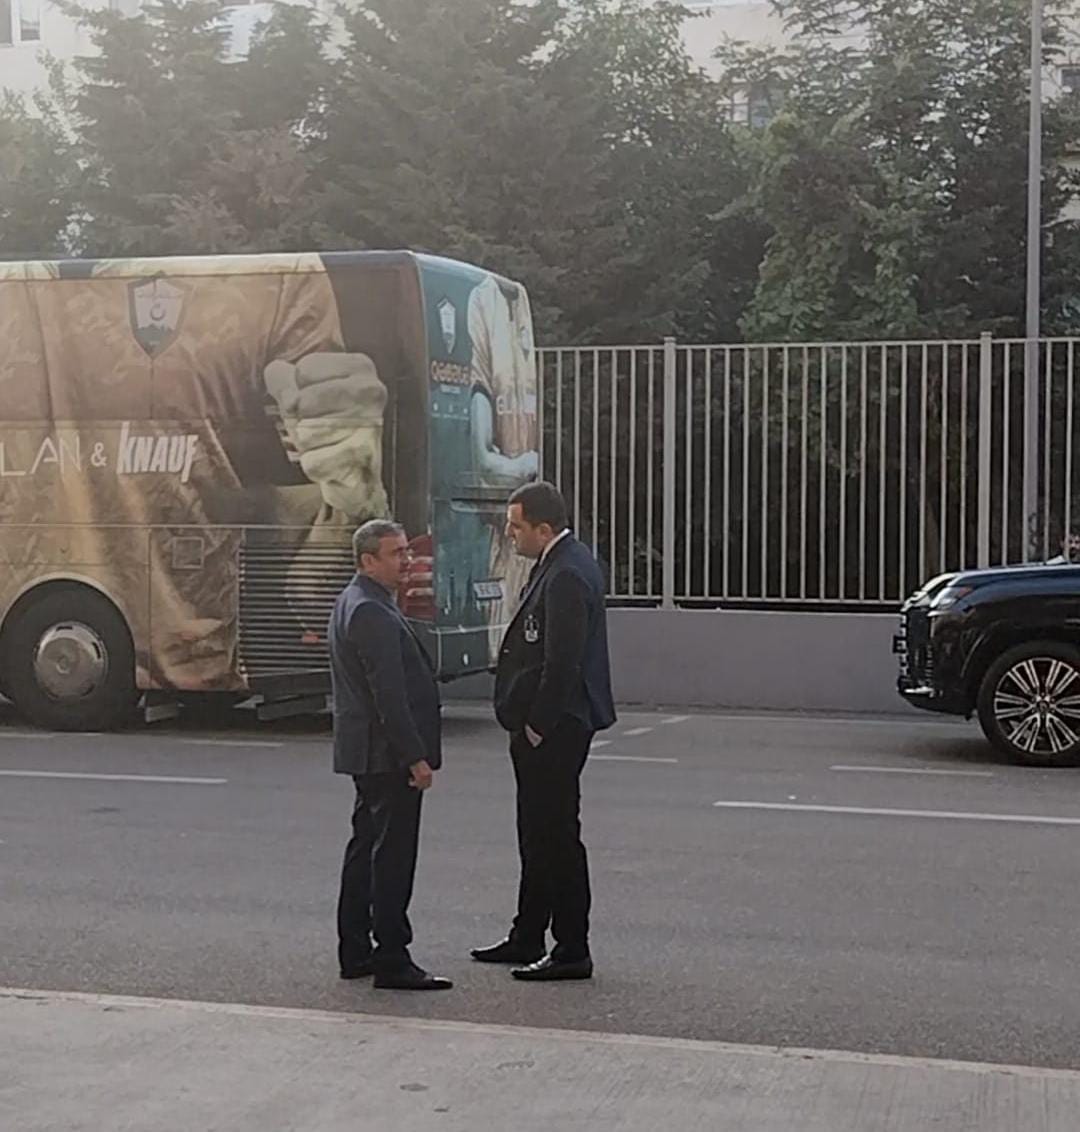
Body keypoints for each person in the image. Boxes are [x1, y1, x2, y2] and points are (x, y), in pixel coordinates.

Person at [472, 482, 616, 981]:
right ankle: (528, 933)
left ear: (543, 527)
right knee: (535, 833)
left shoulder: (567, 574)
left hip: (556, 728)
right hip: (546, 724)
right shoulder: (556, 564)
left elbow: (563, 663)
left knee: (555, 837)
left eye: (516, 526)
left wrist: (537, 726)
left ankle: (571, 947)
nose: (509, 534)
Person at [329, 519, 451, 991]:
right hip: (385, 756)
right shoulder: (370, 611)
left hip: (369, 753)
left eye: (406, 551)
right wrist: (414, 757)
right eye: (396, 553)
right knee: (392, 857)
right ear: (367, 560)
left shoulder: (357, 600)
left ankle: (356, 950)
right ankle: (393, 958)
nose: (407, 560)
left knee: (365, 849)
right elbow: (389, 696)